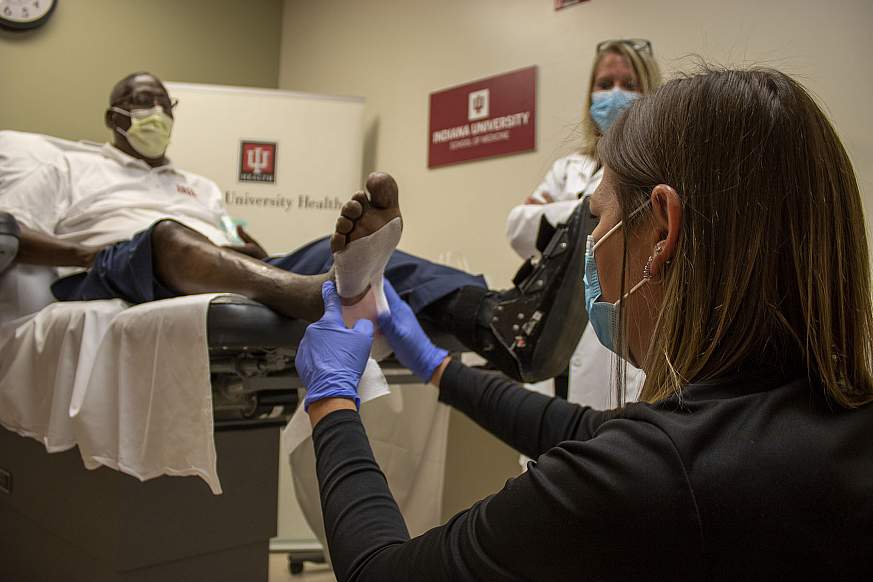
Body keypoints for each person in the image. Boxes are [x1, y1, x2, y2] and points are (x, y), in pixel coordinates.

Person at [294, 67, 873, 581]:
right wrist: (434, 364)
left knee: (300, 264)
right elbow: (574, 427)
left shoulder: (654, 475)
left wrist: (331, 399)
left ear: (663, 230)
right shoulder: (830, 419)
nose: (590, 245)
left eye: (596, 219)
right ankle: (475, 312)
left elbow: (380, 573)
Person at [0, 71, 590, 383]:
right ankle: (327, 294)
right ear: (115, 115)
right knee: (167, 235)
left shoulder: (198, 185)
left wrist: (242, 245)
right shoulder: (73, 167)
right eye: (141, 101)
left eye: (162, 103)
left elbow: (231, 233)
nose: (155, 111)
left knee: (372, 259)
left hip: (211, 261)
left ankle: (503, 322)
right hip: (121, 266)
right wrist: (87, 253)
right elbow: (13, 229)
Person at [508, 39, 662, 408]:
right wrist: (588, 211)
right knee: (546, 443)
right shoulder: (571, 167)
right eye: (605, 84)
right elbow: (518, 228)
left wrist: (560, 211)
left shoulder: (660, 167)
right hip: (553, 337)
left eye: (629, 84)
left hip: (619, 349)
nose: (615, 94)